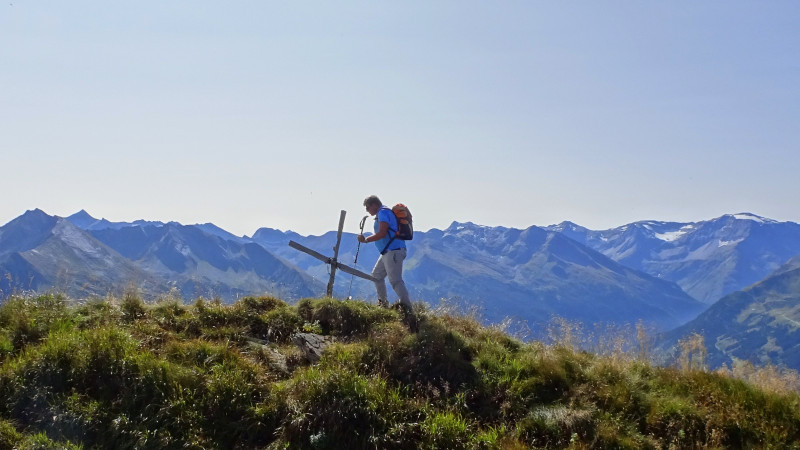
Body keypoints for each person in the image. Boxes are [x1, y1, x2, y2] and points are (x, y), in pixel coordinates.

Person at [357, 195, 412, 310]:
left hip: (393, 250)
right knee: (377, 275)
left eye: (367, 207)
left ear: (374, 204)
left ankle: (407, 308)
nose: (367, 210)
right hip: (389, 251)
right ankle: (383, 303)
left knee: (395, 280)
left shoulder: (382, 213)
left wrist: (366, 240)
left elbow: (382, 233)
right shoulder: (383, 212)